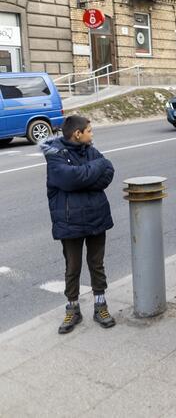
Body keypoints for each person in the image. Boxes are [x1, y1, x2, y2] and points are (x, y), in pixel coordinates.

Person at [40, 115, 117, 334]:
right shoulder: (55, 155)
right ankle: (73, 308)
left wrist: (85, 177)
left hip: (96, 216)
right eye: (90, 131)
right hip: (69, 221)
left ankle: (100, 305)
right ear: (77, 134)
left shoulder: (91, 150)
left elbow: (108, 174)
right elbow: (69, 179)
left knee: (97, 264)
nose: (92, 135)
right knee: (72, 267)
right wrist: (96, 168)